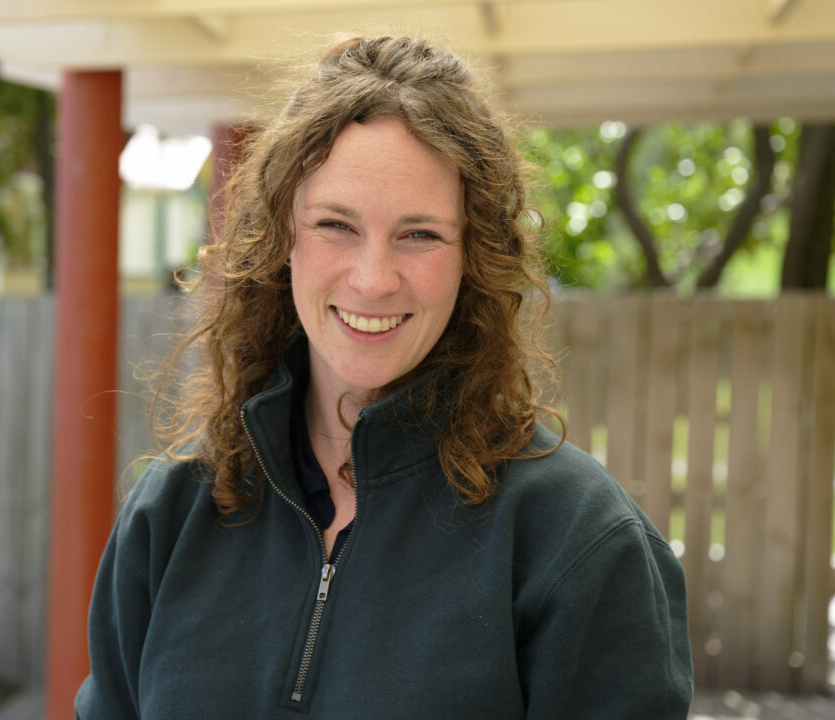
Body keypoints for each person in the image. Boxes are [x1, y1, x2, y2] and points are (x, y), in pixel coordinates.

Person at [76, 35, 692, 719]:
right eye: (337, 225)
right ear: (284, 238)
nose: (373, 280)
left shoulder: (575, 539)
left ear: (474, 257)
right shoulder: (170, 517)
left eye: (420, 234)